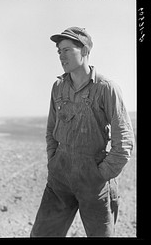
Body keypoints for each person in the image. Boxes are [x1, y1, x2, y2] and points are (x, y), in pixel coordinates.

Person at [30, 27, 134, 237]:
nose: (61, 55)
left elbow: (124, 141)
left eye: (67, 50)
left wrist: (100, 174)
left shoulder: (106, 88)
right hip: (59, 178)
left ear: (85, 51)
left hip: (94, 182)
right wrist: (53, 161)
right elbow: (51, 130)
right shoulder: (58, 87)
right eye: (59, 51)